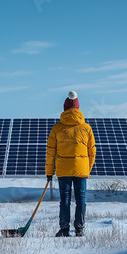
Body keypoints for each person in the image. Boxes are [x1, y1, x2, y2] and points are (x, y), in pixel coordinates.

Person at [45, 91, 96, 237]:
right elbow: (92, 152)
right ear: (78, 109)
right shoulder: (86, 128)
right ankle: (79, 229)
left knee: (64, 200)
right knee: (81, 199)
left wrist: (49, 172)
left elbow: (50, 152)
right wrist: (87, 168)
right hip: (81, 170)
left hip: (63, 170)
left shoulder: (57, 128)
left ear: (64, 109)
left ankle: (64, 229)